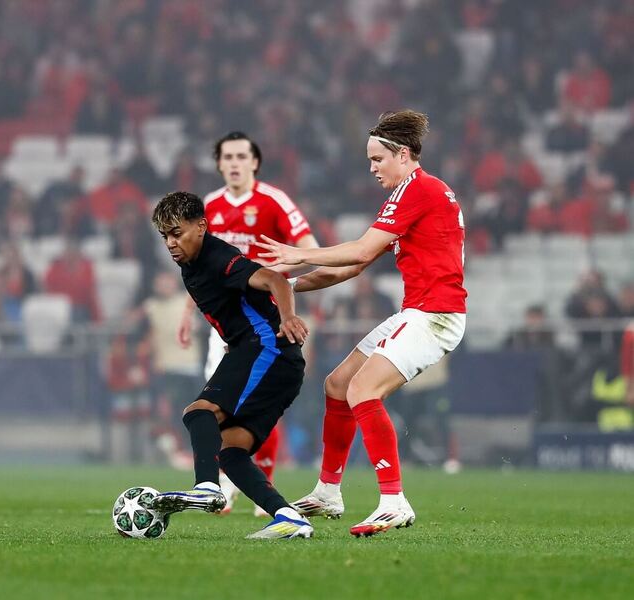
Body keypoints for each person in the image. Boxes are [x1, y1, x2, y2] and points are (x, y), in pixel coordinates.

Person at [256, 110, 467, 537]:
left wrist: (298, 254)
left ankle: (394, 501)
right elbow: (353, 267)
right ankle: (328, 491)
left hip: (436, 315)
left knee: (361, 390)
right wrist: (286, 286)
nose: (371, 168)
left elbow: (357, 251)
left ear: (403, 154)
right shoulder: (407, 193)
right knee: (338, 384)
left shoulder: (421, 190)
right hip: (417, 312)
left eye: (377, 159)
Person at [148, 191, 313, 540]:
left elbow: (275, 279)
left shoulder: (218, 257)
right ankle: (289, 517)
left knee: (198, 413)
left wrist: (287, 318)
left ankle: (207, 488)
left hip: (268, 349)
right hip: (260, 353)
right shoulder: (190, 264)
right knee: (230, 451)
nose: (170, 243)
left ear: (201, 227)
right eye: (164, 236)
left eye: (177, 233)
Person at [177, 131, 320, 516]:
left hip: (266, 312)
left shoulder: (273, 201)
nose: (236, 162)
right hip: (224, 321)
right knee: (225, 406)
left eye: (243, 155)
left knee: (232, 401)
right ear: (220, 164)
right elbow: (200, 271)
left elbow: (309, 250)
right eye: (228, 156)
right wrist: (189, 313)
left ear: (255, 162)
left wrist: (270, 275)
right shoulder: (208, 206)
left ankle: (238, 484)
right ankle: (227, 483)